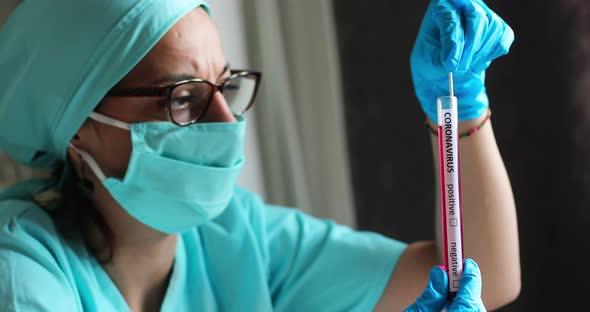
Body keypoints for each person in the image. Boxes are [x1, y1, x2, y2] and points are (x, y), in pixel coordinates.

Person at [0, 0, 519, 311]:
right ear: (80, 130)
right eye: (183, 97)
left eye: (227, 86)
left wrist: (463, 109)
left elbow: (483, 277)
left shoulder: (235, 241)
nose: (227, 121)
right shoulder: (21, 274)